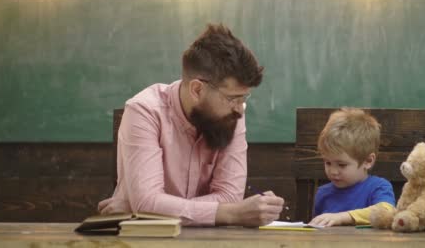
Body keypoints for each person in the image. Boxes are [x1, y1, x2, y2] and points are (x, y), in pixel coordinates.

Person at [98, 23, 284, 226]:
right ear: (197, 90)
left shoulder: (233, 114)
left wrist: (149, 209)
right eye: (233, 98)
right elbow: (148, 203)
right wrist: (230, 214)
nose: (240, 109)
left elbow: (231, 197)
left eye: (244, 98)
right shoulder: (143, 111)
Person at [309, 108, 395, 227]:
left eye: (342, 165)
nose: (333, 171)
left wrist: (342, 217)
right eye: (327, 162)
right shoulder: (323, 193)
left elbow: (386, 211)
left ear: (368, 161)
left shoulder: (378, 187)